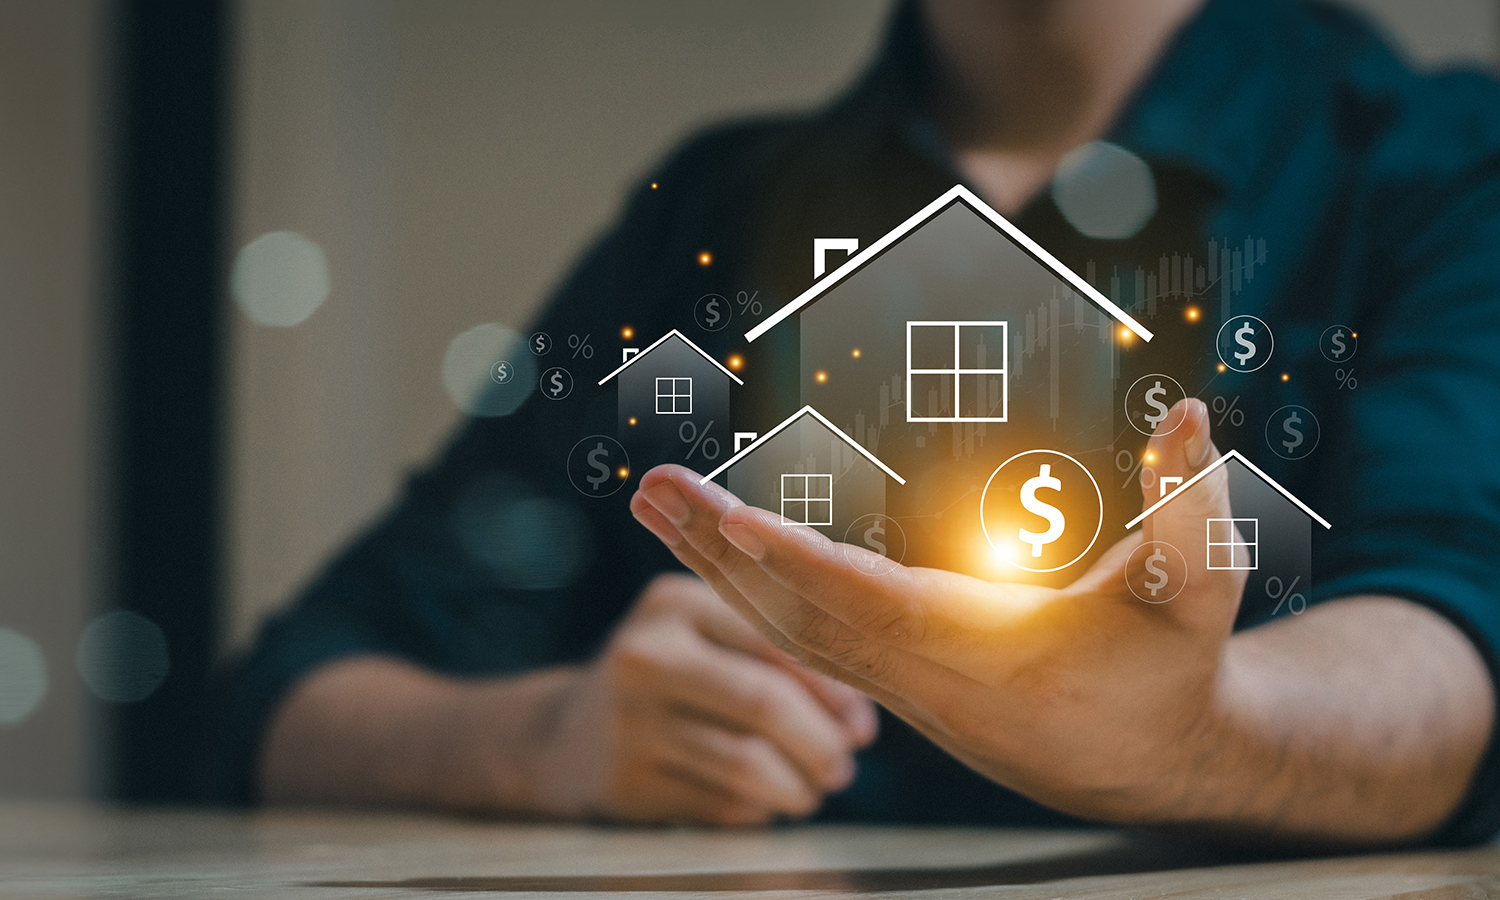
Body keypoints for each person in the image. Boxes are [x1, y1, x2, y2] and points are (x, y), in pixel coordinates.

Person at [214, 0, 1500, 846]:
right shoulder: (716, 207)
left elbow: (1449, 647)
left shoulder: (1437, 167)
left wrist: (1195, 725)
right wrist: (548, 742)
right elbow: (287, 696)